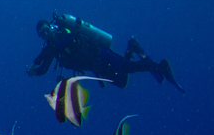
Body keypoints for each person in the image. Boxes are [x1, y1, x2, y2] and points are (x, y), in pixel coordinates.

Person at [27, 13, 185, 92]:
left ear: (52, 26)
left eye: (47, 30)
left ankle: (161, 66)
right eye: (43, 34)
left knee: (128, 67)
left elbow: (72, 37)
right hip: (95, 66)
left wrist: (40, 58)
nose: (46, 34)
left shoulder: (63, 32)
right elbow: (44, 68)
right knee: (121, 83)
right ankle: (132, 47)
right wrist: (34, 72)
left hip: (99, 54)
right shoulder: (50, 48)